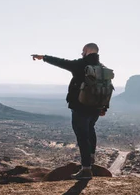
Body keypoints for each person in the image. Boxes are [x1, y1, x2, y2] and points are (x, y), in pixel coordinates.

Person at [32, 43, 107, 180]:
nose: (81, 53)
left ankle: (86, 169)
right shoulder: (102, 68)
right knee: (91, 130)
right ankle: (90, 158)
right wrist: (103, 108)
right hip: (96, 109)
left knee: (82, 137)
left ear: (88, 51)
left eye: (83, 51)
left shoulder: (81, 65)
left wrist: (44, 57)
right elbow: (106, 90)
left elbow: (61, 62)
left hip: (80, 107)